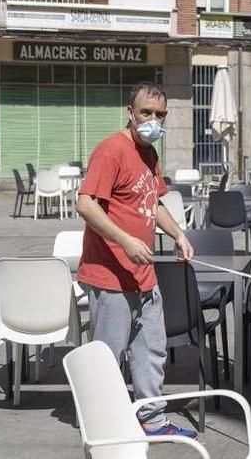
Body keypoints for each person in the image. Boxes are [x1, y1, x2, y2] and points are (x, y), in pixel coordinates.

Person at [75, 82, 198, 438]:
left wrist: (178, 234)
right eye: (146, 113)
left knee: (151, 349)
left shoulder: (150, 155)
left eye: (160, 115)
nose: (153, 121)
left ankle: (153, 420)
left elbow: (153, 203)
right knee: (108, 357)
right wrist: (126, 240)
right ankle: (103, 427)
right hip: (110, 275)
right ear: (130, 113)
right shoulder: (111, 151)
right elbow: (85, 205)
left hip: (143, 275)